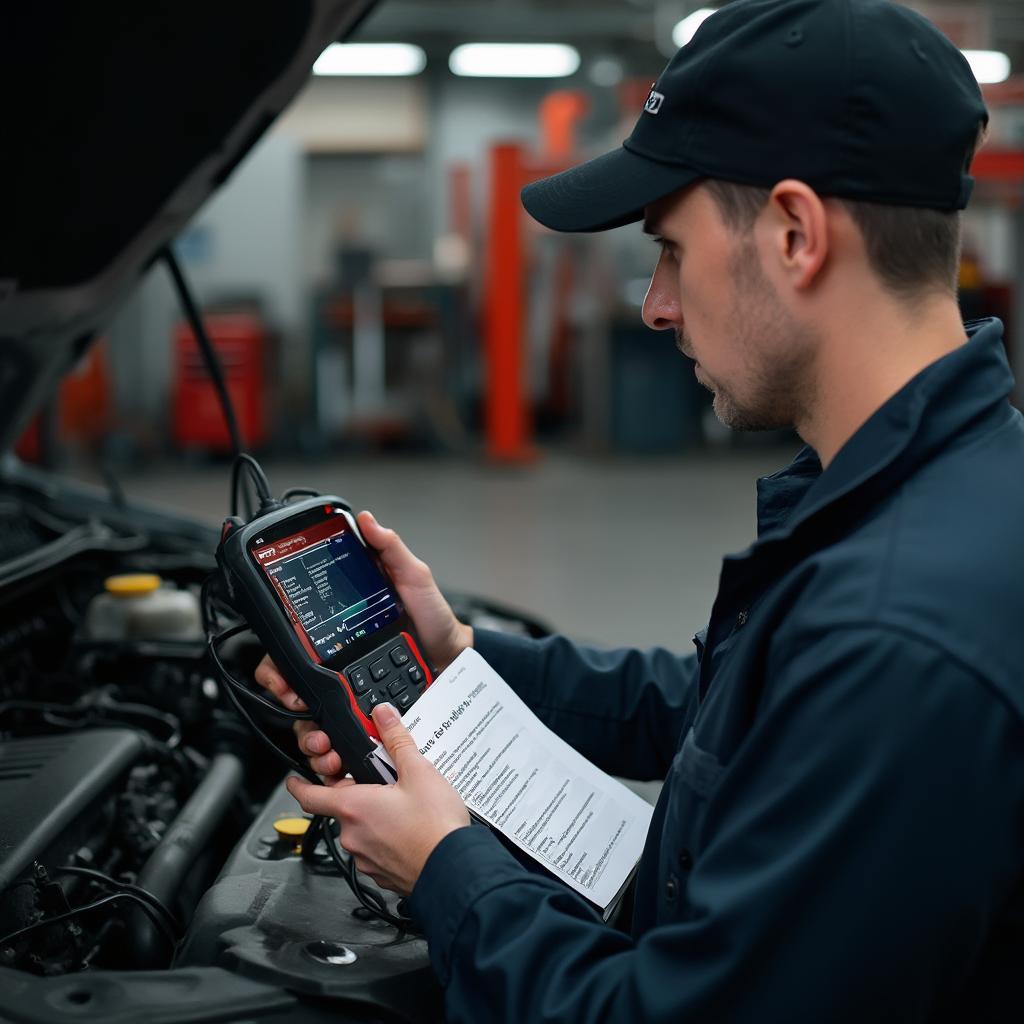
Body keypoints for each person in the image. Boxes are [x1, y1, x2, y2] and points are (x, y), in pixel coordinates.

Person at [257, 0, 1024, 1019]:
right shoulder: (938, 490)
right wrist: (461, 654)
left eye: (671, 249)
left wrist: (445, 868)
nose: (657, 304)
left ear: (794, 235)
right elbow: (719, 707)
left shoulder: (894, 633)